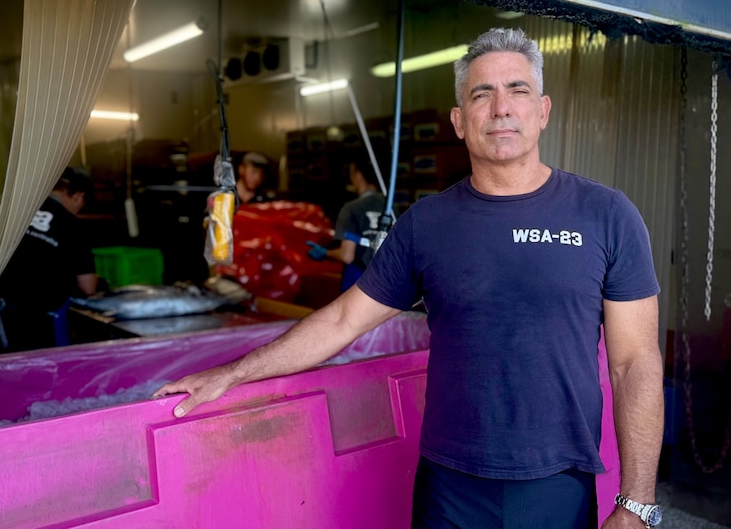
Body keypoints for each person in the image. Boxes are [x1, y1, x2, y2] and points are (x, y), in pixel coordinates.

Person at [153, 28, 663, 529]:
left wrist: (637, 505)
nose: (502, 108)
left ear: (543, 110)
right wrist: (234, 372)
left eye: (518, 90)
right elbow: (343, 320)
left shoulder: (606, 215)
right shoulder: (428, 223)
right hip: (449, 486)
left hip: (557, 481)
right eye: (482, 94)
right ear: (460, 121)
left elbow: (634, 363)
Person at [0, 167, 98, 356]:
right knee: (40, 375)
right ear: (79, 196)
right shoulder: (72, 226)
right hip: (38, 322)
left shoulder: (12, 210)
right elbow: (88, 287)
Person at [306, 148, 386, 292]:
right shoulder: (392, 207)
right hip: (387, 284)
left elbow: (347, 255)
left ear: (358, 175)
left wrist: (325, 253)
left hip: (359, 284)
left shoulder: (352, 208)